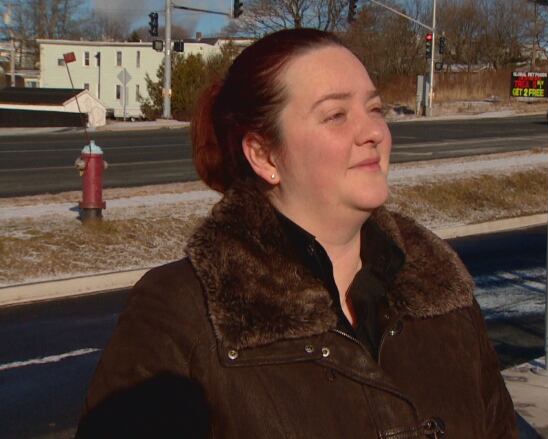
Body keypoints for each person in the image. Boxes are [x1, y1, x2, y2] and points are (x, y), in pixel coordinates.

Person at [76, 28, 518, 438]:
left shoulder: (440, 288)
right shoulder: (184, 313)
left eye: (374, 108)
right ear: (264, 154)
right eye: (336, 115)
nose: (373, 132)